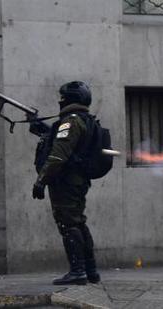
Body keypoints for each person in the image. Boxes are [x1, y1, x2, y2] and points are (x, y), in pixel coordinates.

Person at [32, 81, 100, 285]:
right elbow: (62, 142)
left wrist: (41, 181)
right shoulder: (82, 119)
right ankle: (90, 270)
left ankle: (78, 271)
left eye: (63, 97)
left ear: (71, 99)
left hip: (66, 182)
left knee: (68, 224)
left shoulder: (70, 121)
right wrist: (40, 128)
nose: (60, 101)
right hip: (77, 181)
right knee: (78, 222)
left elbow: (58, 155)